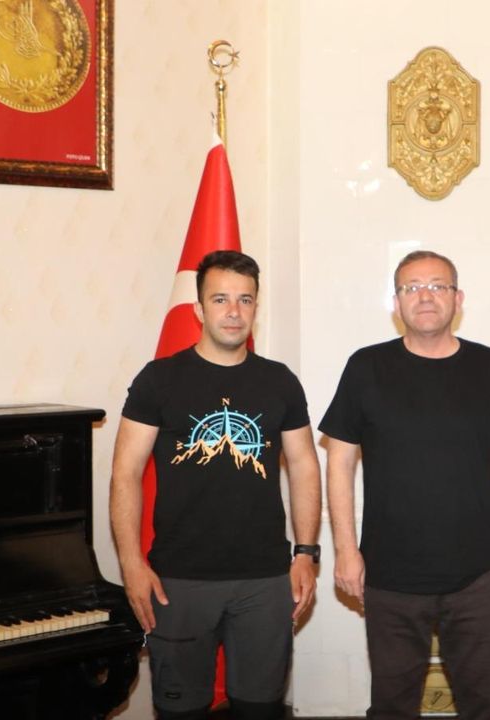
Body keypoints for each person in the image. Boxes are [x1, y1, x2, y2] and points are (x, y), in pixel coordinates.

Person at [320, 250, 490, 720]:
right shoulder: (365, 367)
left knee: (484, 706)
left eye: (438, 286)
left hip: (478, 574)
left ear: (458, 299)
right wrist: (345, 549)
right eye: (412, 287)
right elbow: (339, 462)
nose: (425, 296)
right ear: (395, 302)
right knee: (392, 707)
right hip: (389, 574)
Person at [109, 250, 322, 720]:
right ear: (199, 309)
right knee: (180, 711)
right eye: (220, 299)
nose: (233, 311)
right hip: (178, 581)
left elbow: (305, 465)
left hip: (265, 579)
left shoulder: (280, 382)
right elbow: (125, 473)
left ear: (255, 308)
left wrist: (306, 553)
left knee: (260, 709)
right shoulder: (158, 379)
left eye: (245, 300)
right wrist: (130, 563)